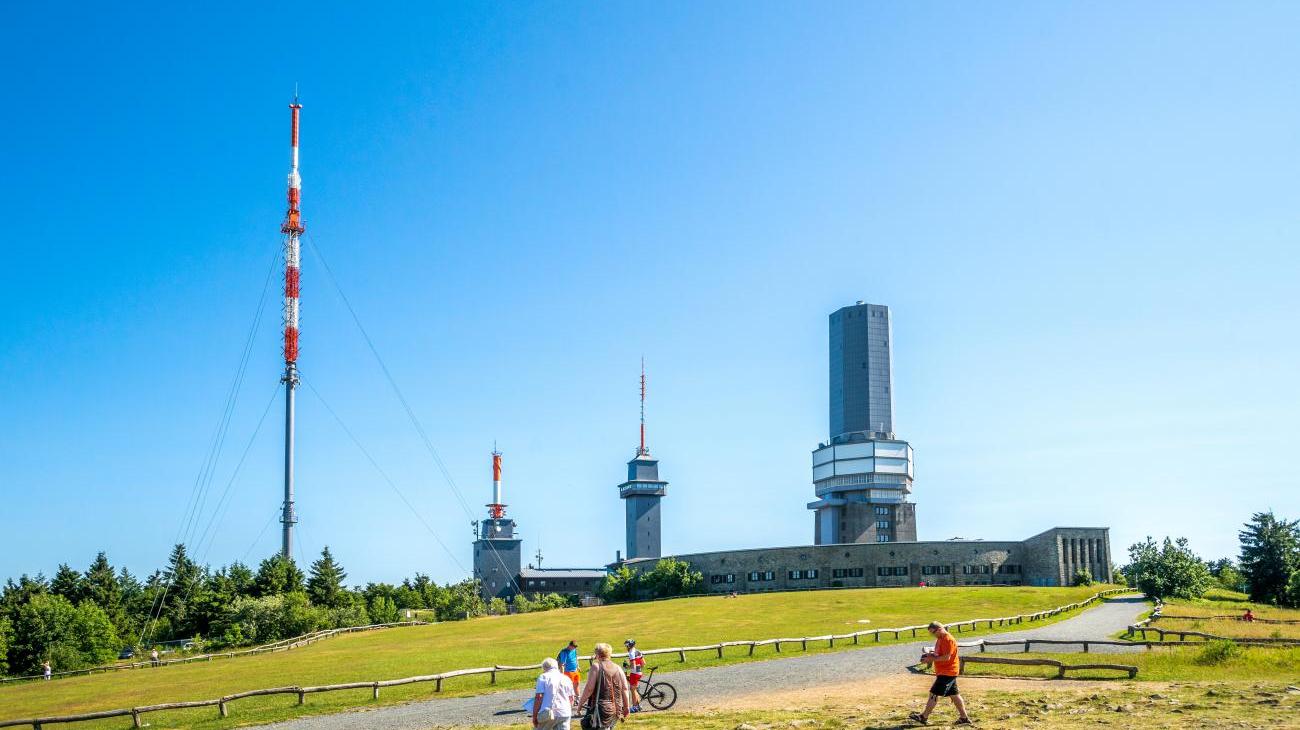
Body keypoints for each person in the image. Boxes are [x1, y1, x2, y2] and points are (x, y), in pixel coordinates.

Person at [910, 622, 971, 726]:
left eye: (933, 632)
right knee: (955, 695)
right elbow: (939, 654)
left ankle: (924, 717)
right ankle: (964, 718)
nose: (933, 635)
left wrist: (931, 659)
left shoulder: (948, 639)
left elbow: (947, 657)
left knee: (933, 693)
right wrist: (930, 655)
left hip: (948, 672)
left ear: (939, 629)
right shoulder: (940, 639)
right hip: (945, 671)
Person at [578, 642, 630, 729]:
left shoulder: (596, 667)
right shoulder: (618, 668)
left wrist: (580, 704)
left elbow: (589, 689)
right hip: (616, 708)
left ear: (597, 654)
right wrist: (626, 706)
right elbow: (625, 688)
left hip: (601, 709)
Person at [532, 657, 576, 730]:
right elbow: (571, 698)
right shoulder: (566, 678)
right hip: (564, 712)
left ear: (544, 668)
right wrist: (568, 709)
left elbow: (539, 697)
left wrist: (535, 715)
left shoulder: (543, 677)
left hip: (548, 713)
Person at [623, 639, 645, 712]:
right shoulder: (638, 651)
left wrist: (626, 667)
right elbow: (643, 663)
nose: (626, 647)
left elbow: (632, 666)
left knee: (632, 690)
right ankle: (638, 705)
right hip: (638, 672)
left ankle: (635, 707)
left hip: (634, 673)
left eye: (626, 646)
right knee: (634, 689)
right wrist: (638, 670)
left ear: (629, 646)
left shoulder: (631, 653)